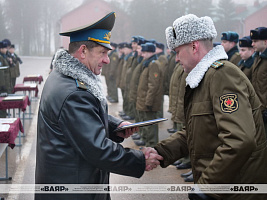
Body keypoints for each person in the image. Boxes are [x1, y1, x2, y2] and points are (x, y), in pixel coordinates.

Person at [35, 12, 163, 200]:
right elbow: (97, 149)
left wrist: (114, 127)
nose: (107, 60)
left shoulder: (65, 78)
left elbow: (81, 123)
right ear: (83, 51)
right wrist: (140, 160)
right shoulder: (74, 93)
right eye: (102, 53)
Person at [148, 14, 267, 200]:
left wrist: (207, 187)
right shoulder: (205, 77)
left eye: (178, 52)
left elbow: (239, 140)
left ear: (194, 46)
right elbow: (197, 132)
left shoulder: (222, 75)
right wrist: (161, 152)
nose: (176, 59)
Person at [135, 42, 163, 147]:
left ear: (150, 52)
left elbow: (153, 85)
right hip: (144, 98)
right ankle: (146, 140)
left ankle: (151, 144)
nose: (142, 54)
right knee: (145, 121)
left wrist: (149, 101)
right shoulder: (147, 63)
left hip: (149, 100)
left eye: (144, 52)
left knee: (150, 123)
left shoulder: (153, 64)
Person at [250, 27, 267, 136]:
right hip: (259, 109)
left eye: (255, 41)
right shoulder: (257, 58)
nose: (252, 44)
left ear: (265, 42)